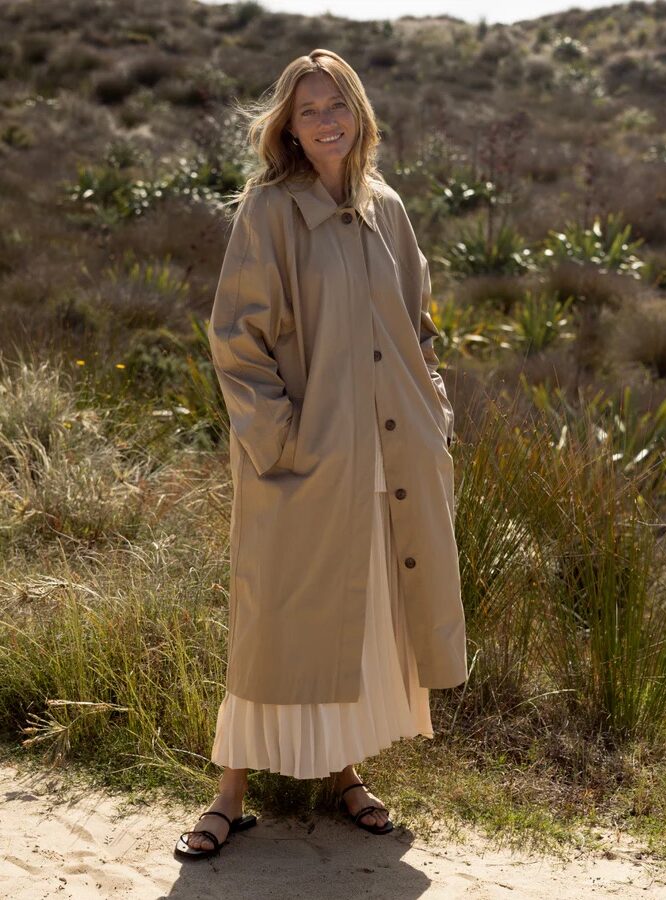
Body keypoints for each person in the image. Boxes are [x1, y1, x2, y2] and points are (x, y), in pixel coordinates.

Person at [175, 48, 467, 861]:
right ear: (289, 128)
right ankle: (228, 794)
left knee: (359, 619)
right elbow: (235, 341)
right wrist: (280, 442)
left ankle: (343, 775)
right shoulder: (268, 212)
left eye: (336, 103)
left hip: (392, 461)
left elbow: (419, 331)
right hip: (304, 463)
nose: (326, 120)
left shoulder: (390, 210)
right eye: (308, 110)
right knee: (272, 623)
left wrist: (430, 410)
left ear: (359, 112)